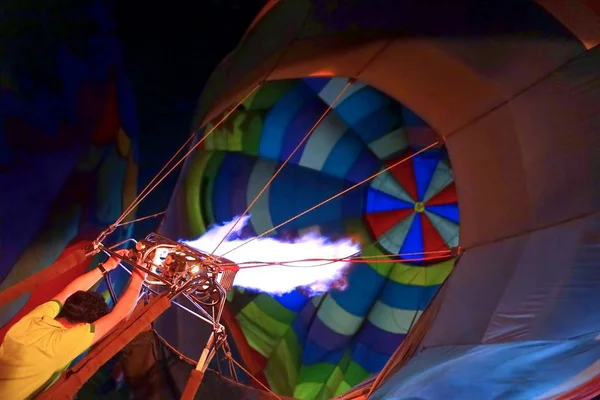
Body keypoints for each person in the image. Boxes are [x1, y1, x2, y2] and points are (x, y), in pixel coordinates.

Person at [0, 249, 147, 399]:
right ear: (82, 325)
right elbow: (119, 316)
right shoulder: (62, 344)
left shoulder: (36, 320)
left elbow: (68, 292)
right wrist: (138, 279)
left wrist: (107, 266)